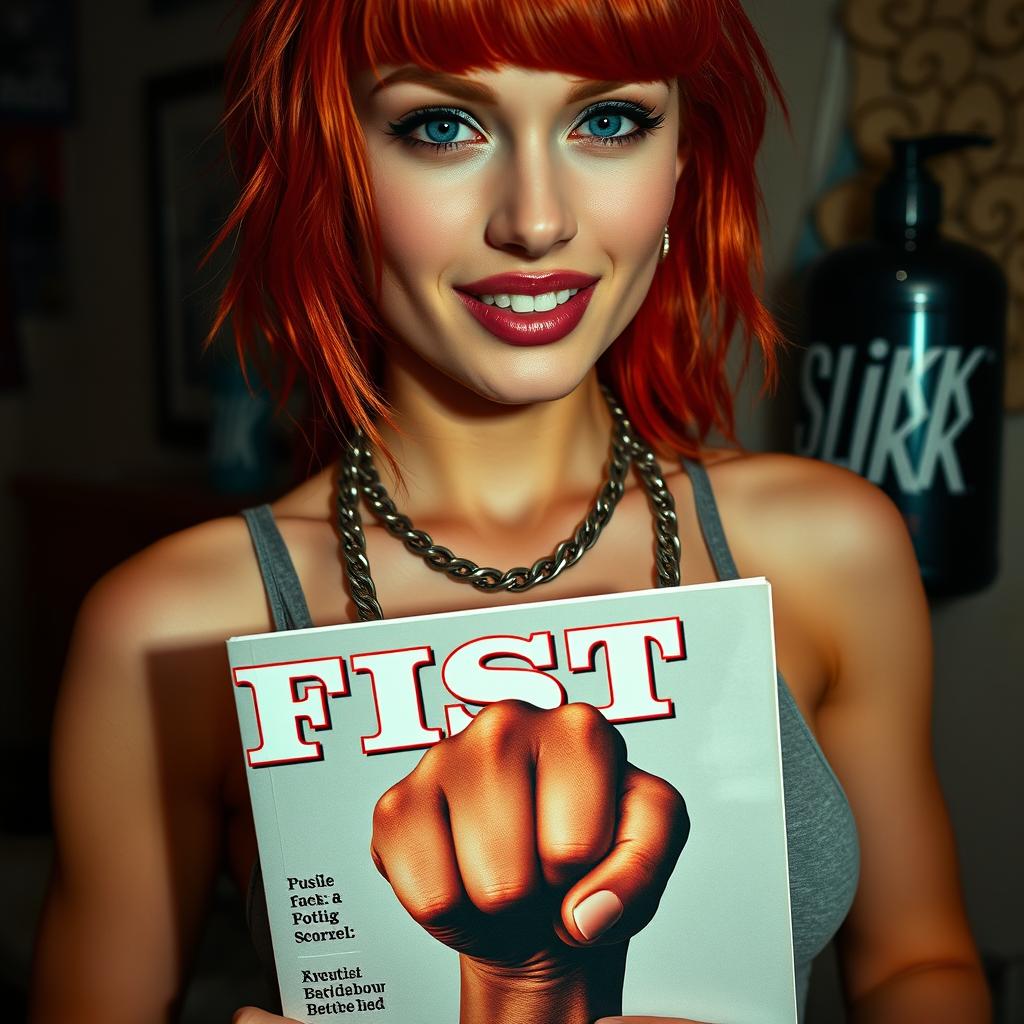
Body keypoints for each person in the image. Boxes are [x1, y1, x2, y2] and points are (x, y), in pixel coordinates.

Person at [30, 1, 991, 1022]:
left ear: (679, 164)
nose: (536, 220)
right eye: (442, 126)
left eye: (609, 122)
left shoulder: (830, 547)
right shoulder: (167, 627)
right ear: (329, 167)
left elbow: (916, 964)